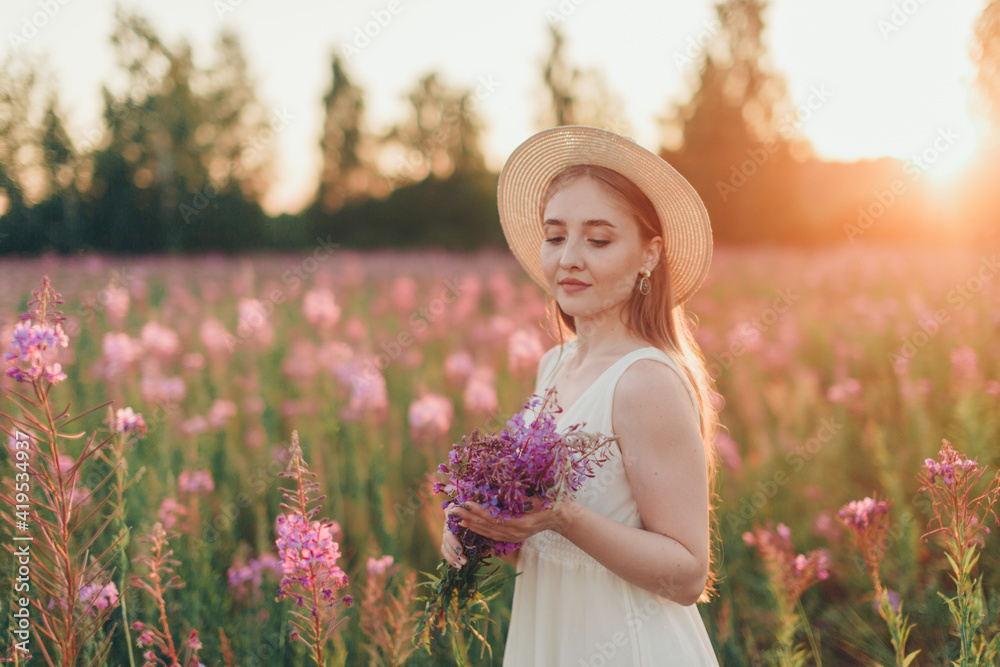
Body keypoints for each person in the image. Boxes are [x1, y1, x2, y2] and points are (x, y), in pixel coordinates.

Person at [441, 126, 721, 665]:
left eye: (598, 240)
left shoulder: (645, 381)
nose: (569, 258)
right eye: (554, 236)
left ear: (649, 255)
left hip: (626, 641)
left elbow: (687, 575)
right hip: (552, 630)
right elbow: (536, 514)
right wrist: (480, 522)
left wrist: (561, 517)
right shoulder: (555, 363)